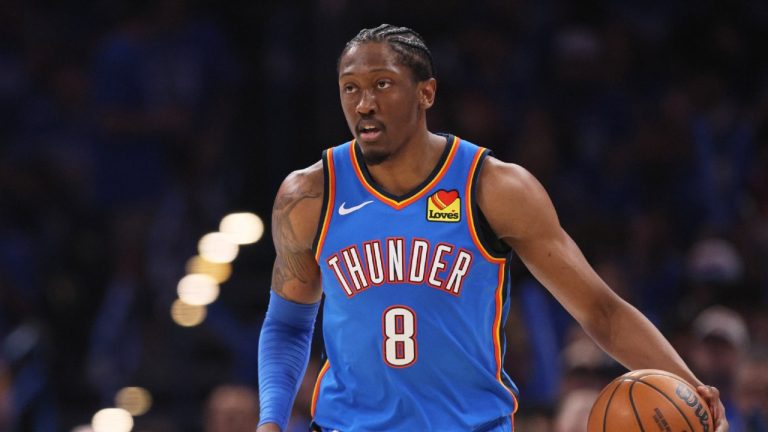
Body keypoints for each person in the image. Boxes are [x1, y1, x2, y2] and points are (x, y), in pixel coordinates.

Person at [256, 24, 729, 431]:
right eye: (350, 88)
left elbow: (599, 310)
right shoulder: (309, 195)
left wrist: (692, 386)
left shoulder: (495, 187)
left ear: (426, 92)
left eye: (382, 84)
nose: (364, 104)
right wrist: (271, 419)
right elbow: (287, 325)